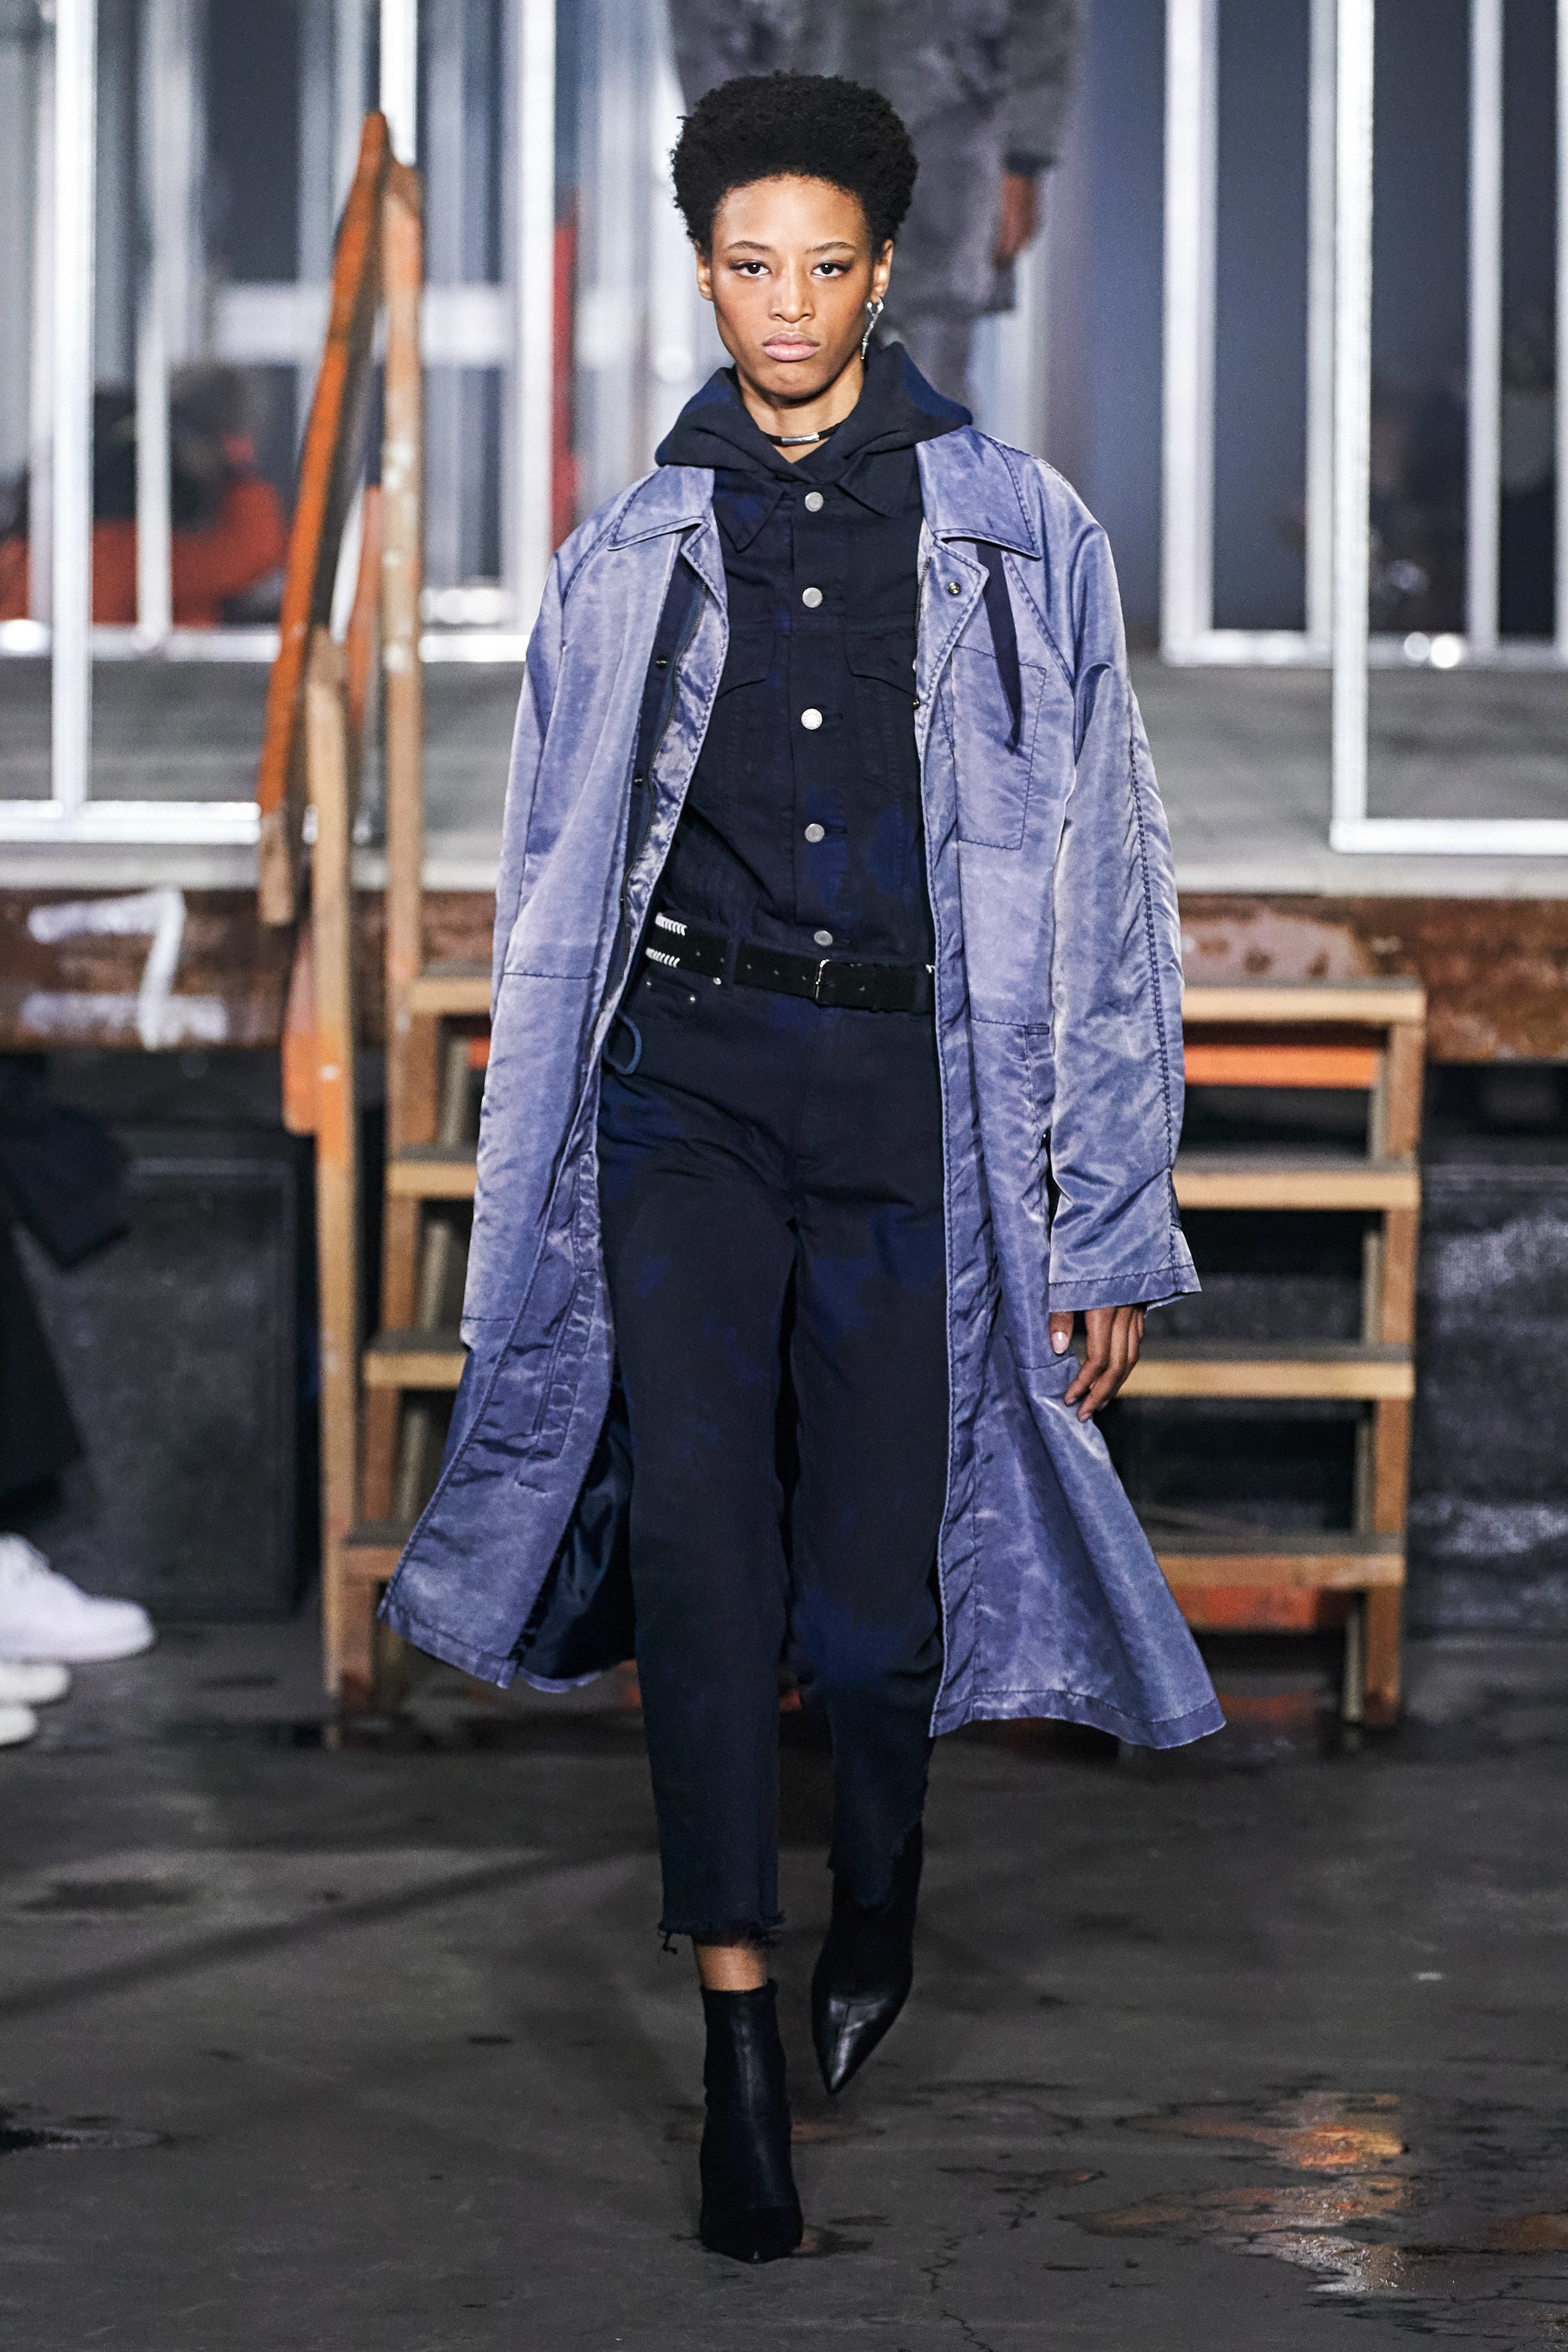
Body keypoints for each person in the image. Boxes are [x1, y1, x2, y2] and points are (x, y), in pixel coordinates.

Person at [381, 71, 1221, 2265]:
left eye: (823, 265)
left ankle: (883, 1887)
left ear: (881, 274)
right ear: (701, 272)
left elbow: (1110, 886)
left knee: (868, 1615)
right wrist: (524, 1188)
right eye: (748, 264)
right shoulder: (623, 552)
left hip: (914, 1105)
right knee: (700, 1559)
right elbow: (548, 891)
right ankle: (735, 2040)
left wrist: (1109, 1200)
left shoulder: (1018, 530)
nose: (784, 304)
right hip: (686, 1091)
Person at [667, 0, 1082, 406]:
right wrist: (726, 158)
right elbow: (705, 23)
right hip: (788, 127)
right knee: (792, 367)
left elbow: (1043, 14)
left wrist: (1023, 161)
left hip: (946, 137)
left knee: (929, 385)